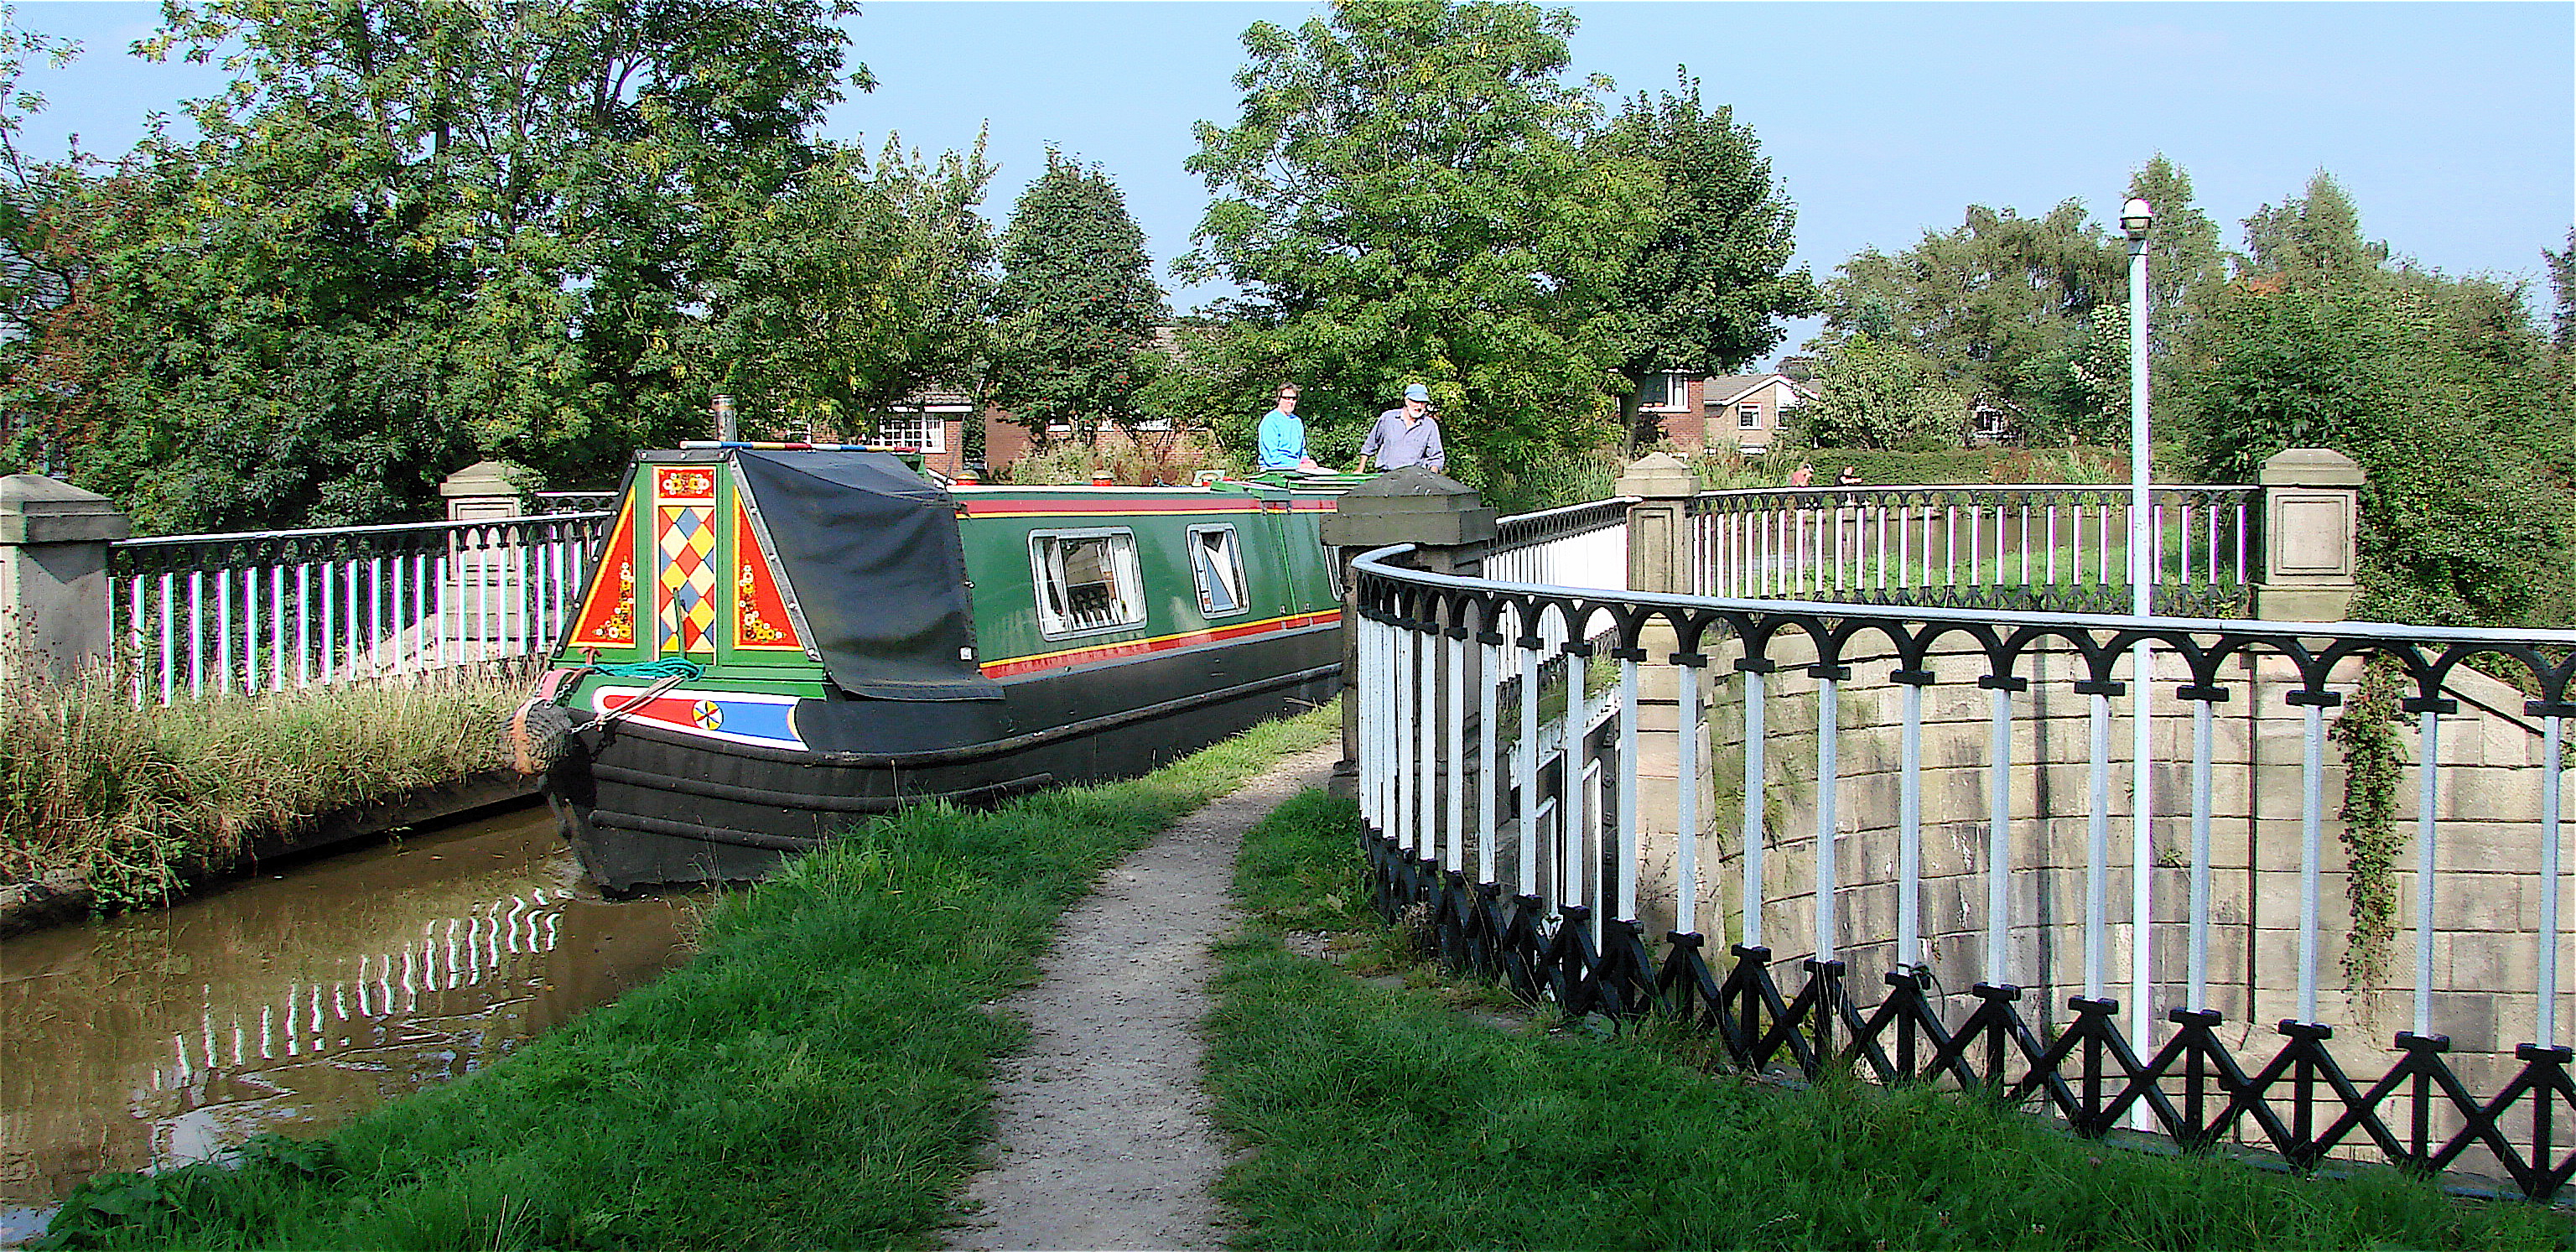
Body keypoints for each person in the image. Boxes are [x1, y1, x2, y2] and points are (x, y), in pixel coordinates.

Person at [1355, 382, 1446, 472]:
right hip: (1386, 474)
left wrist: (1433, 473)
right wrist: (1360, 469)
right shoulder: (1388, 418)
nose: (1419, 406)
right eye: (1416, 401)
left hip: (1415, 476)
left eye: (1423, 403)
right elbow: (1370, 445)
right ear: (1406, 400)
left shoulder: (1429, 425)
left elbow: (1436, 457)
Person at [1254, 384, 1322, 471]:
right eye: (1286, 398)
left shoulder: (1297, 422)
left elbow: (1302, 450)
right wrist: (1298, 465)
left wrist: (1307, 461)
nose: (1290, 402)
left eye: (1293, 398)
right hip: (1274, 470)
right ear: (1279, 399)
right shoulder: (1270, 421)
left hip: (1297, 470)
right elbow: (1272, 457)